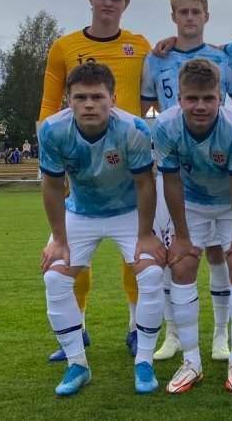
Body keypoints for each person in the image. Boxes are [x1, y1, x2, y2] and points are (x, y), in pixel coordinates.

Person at [39, 0, 152, 362]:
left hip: (130, 157)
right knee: (72, 248)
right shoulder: (64, 46)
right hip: (80, 158)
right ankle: (78, 328)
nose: (108, 3)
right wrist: (52, 151)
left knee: (135, 250)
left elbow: (155, 94)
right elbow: (50, 102)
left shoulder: (141, 45)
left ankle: (137, 328)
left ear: (125, 4)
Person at [38, 62, 166, 396]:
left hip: (128, 213)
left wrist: (145, 235)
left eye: (97, 96)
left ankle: (145, 361)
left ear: (113, 97)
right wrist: (60, 240)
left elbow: (144, 185)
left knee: (151, 274)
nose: (89, 104)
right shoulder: (52, 130)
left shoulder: (134, 129)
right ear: (69, 99)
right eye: (80, 97)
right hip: (80, 213)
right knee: (54, 276)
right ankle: (77, 365)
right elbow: (52, 187)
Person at [141, 0, 232, 364]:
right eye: (182, 12)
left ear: (206, 16)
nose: (189, 18)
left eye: (195, 12)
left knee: (220, 254)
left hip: (216, 166)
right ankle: (173, 334)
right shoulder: (156, 58)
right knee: (177, 253)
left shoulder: (223, 58)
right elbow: (147, 110)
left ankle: (220, 336)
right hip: (175, 166)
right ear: (174, 17)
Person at [152, 59, 232, 393]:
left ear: (219, 97)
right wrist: (181, 237)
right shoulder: (165, 127)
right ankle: (191, 361)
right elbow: (171, 183)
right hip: (191, 202)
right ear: (179, 98)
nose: (200, 106)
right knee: (181, 266)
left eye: (208, 98)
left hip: (229, 203)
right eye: (192, 98)